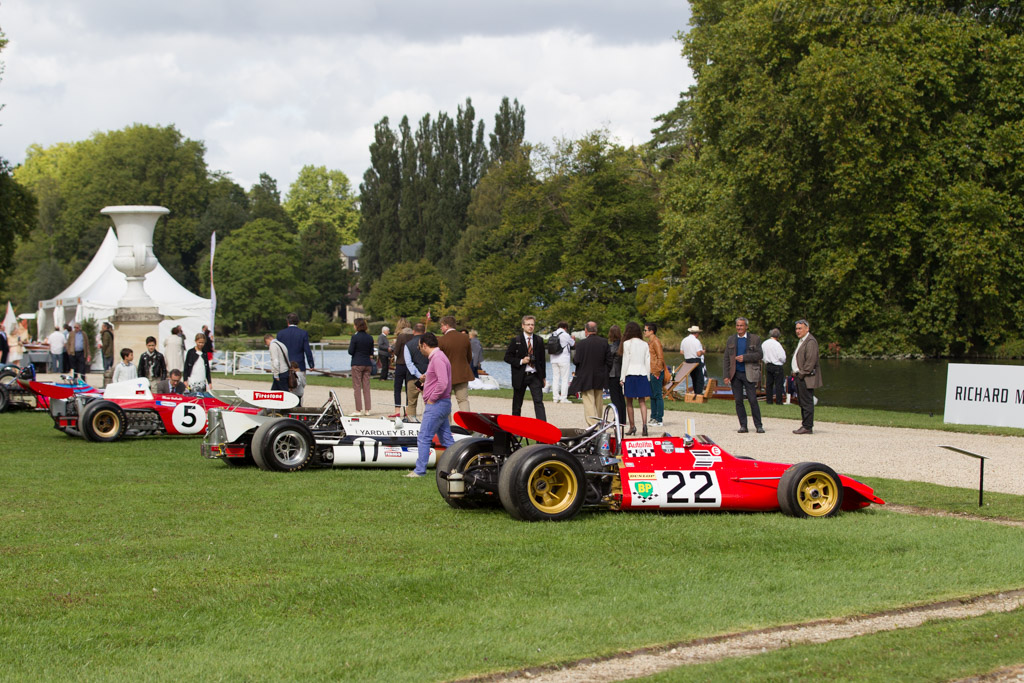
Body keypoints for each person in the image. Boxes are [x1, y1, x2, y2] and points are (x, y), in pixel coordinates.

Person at [406, 332, 454, 478]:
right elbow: (438, 380)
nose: (420, 349)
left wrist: (432, 398)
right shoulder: (439, 357)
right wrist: (426, 383)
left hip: (437, 404)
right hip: (443, 404)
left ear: (425, 345)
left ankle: (420, 470)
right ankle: (458, 465)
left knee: (424, 437)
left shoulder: (438, 358)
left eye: (420, 346)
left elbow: (443, 382)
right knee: (447, 439)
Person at [724, 317, 764, 434]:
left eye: (741, 326)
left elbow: (759, 354)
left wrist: (745, 358)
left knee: (752, 400)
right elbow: (726, 358)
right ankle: (743, 425)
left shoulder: (755, 339)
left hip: (749, 373)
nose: (739, 328)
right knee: (738, 401)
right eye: (737, 325)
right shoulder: (731, 339)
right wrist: (726, 375)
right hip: (735, 374)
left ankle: (759, 425)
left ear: (746, 326)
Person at [504, 314, 546, 421]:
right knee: (517, 403)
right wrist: (521, 361)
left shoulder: (539, 340)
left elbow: (542, 360)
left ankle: (542, 428)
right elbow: (507, 357)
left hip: (535, 375)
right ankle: (515, 427)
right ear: (523, 326)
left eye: (532, 324)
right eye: (528, 325)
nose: (530, 327)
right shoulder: (516, 340)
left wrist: (543, 377)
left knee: (538, 402)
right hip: (521, 375)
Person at [567, 322, 610, 425]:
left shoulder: (581, 344)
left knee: (589, 401)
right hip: (600, 375)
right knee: (599, 401)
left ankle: (592, 424)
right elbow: (609, 360)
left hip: (586, 376)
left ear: (586, 331)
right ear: (596, 330)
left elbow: (576, 360)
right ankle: (600, 421)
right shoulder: (604, 342)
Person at [437, 315, 473, 416]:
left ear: (447, 326)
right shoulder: (465, 338)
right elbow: (469, 357)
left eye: (442, 325)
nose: (440, 328)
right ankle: (467, 426)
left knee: (445, 401)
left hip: (446, 375)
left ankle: (447, 426)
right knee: (463, 401)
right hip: (462, 374)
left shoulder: (442, 340)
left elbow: (438, 360)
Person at [619, 321, 651, 436]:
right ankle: (644, 425)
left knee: (629, 402)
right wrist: (648, 375)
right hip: (642, 373)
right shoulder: (645, 344)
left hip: (630, 373)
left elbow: (625, 361)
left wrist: (622, 377)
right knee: (642, 401)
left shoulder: (627, 343)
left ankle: (632, 426)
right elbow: (648, 361)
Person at [791, 319, 822, 434]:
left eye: (800, 328)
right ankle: (805, 424)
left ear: (807, 329)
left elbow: (810, 361)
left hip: (805, 377)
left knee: (807, 401)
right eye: (796, 329)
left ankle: (808, 426)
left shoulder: (810, 341)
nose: (797, 331)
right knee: (802, 401)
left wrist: (801, 374)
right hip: (799, 376)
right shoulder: (802, 340)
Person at [278, 313, 314, 405]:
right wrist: (311, 364)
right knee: (299, 387)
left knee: (286, 388)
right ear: (298, 322)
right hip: (299, 365)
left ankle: (286, 405)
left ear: (287, 322)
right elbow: (307, 350)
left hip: (285, 365)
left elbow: (278, 351)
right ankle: (298, 405)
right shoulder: (303, 333)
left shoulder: (281, 334)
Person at [348, 317, 374, 415]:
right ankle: (367, 409)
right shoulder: (370, 337)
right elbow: (371, 352)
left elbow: (350, 351)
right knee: (366, 386)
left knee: (357, 386)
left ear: (357, 326)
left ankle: (358, 409)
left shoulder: (355, 337)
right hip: (367, 363)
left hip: (357, 362)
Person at [403, 323, 430, 420]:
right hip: (428, 377)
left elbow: (409, 363)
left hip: (413, 377)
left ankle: (411, 422)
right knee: (429, 403)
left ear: (413, 332)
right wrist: (425, 374)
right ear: (424, 332)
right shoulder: (429, 345)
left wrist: (418, 375)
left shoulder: (408, 345)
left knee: (411, 403)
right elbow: (432, 360)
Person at [644, 323, 666, 428]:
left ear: (651, 331)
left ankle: (659, 418)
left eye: (646, 330)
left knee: (658, 395)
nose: (644, 332)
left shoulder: (656, 342)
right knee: (652, 395)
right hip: (651, 371)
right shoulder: (650, 342)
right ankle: (653, 417)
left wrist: (657, 371)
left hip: (656, 372)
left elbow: (660, 358)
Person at [548, 321, 575, 404]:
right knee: (564, 379)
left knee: (555, 378)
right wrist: (573, 339)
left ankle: (555, 398)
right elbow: (573, 344)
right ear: (565, 328)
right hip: (563, 359)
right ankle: (563, 398)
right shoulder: (566, 335)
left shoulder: (552, 334)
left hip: (553, 359)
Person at [391, 323, 414, 416]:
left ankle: (397, 410)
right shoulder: (413, 337)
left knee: (397, 387)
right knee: (409, 388)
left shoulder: (401, 336)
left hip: (400, 364)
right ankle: (408, 410)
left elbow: (396, 352)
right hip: (410, 365)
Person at [606, 325, 626, 425]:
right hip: (620, 372)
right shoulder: (622, 345)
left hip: (613, 373)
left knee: (615, 397)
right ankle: (622, 418)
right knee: (620, 396)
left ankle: (618, 418)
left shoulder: (613, 346)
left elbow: (609, 358)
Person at [762, 328, 788, 405]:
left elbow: (761, 354)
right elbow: (782, 357)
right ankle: (779, 401)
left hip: (768, 365)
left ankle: (769, 401)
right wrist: (782, 362)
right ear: (778, 336)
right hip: (777, 365)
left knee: (769, 384)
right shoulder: (777, 344)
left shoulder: (764, 343)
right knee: (778, 384)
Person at [679, 325, 706, 396]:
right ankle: (699, 393)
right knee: (699, 377)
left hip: (688, 361)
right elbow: (698, 353)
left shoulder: (684, 340)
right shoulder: (696, 341)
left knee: (693, 377)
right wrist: (703, 351)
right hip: (696, 360)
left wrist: (688, 352)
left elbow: (681, 352)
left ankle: (695, 392)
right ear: (697, 333)